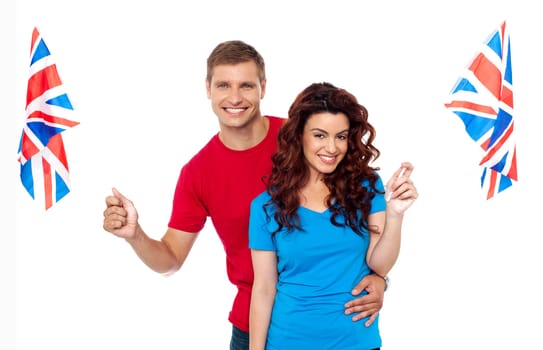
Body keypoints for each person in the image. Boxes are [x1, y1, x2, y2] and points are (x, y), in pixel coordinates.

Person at [102, 41, 388, 350]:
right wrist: (135, 235)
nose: (235, 97)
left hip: (335, 323)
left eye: (247, 85)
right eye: (224, 85)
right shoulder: (198, 173)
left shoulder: (305, 138)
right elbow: (170, 260)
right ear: (207, 88)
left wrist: (380, 278)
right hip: (252, 324)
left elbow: (359, 203)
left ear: (263, 88)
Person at [249, 82, 418, 350]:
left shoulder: (366, 186)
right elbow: (264, 289)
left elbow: (380, 265)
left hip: (356, 342)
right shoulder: (266, 206)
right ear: (299, 135)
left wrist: (395, 215)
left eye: (340, 136)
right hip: (288, 340)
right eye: (319, 135)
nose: (331, 148)